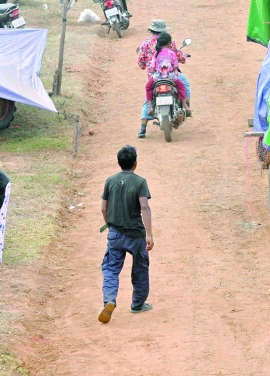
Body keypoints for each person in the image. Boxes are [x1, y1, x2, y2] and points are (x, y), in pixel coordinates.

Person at [99, 145, 154, 323]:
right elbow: (144, 207)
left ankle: (109, 300)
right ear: (135, 163)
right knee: (140, 268)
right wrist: (149, 234)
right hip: (136, 235)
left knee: (110, 269)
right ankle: (138, 304)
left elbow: (103, 207)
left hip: (115, 234)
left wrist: (109, 225)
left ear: (118, 163)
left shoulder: (110, 180)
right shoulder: (140, 182)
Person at [137, 20, 190, 138]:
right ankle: (185, 105)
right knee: (184, 82)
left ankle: (143, 127)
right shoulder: (170, 44)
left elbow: (141, 64)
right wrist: (183, 57)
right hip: (170, 76)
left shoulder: (145, 44)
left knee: (149, 96)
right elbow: (179, 59)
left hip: (155, 77)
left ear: (151, 30)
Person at [145, 32, 189, 108]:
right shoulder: (171, 53)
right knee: (181, 86)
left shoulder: (156, 54)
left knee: (148, 87)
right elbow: (175, 65)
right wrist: (174, 70)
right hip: (170, 76)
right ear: (169, 43)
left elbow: (153, 67)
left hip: (158, 77)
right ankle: (185, 105)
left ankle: (150, 107)